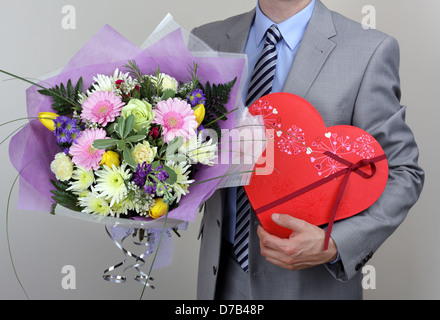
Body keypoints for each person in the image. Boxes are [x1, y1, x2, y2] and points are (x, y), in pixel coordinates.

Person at [191, 0, 424, 300]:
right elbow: (188, 148)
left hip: (310, 284)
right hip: (220, 277)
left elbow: (402, 172)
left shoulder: (369, 49)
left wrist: (336, 243)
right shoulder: (206, 41)